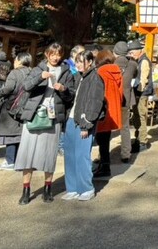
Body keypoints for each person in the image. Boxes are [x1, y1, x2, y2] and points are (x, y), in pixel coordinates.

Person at [14, 42, 75, 205]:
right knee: (27, 153)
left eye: (58, 54)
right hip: (34, 114)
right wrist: (40, 77)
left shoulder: (66, 72)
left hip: (53, 116)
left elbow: (71, 96)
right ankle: (26, 190)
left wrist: (63, 89)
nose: (55, 57)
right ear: (47, 54)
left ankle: (48, 188)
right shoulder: (38, 69)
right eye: (52, 54)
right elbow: (26, 86)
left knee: (49, 154)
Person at [61, 50, 106, 201]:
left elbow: (95, 102)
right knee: (70, 155)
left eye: (81, 61)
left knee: (82, 156)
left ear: (90, 62)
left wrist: (86, 125)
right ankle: (72, 188)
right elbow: (72, 97)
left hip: (84, 121)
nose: (78, 64)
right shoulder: (78, 76)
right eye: (77, 61)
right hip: (71, 119)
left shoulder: (95, 78)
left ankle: (86, 188)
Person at [0, 52, 32, 169]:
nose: (14, 62)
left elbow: (9, 88)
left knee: (10, 135)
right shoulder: (32, 72)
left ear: (20, 61)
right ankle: (19, 161)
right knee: (20, 135)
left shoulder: (14, 73)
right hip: (26, 107)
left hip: (12, 106)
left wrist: (0, 93)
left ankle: (10, 161)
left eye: (15, 60)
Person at [93, 49, 122, 179]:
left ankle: (105, 166)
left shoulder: (100, 71)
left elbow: (97, 90)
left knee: (101, 139)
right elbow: (121, 92)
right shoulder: (117, 70)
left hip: (103, 108)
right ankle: (104, 164)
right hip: (114, 107)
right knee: (106, 138)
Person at [113, 40, 138, 162]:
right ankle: (126, 154)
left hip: (112, 100)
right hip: (126, 99)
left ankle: (103, 155)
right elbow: (135, 75)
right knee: (125, 127)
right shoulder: (132, 65)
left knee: (108, 128)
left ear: (115, 52)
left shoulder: (111, 65)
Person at [128, 40, 153, 153]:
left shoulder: (144, 61)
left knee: (141, 116)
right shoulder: (139, 60)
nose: (131, 55)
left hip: (142, 94)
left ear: (139, 51)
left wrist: (137, 89)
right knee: (137, 116)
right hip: (138, 93)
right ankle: (138, 138)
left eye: (132, 52)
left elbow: (143, 80)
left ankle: (142, 141)